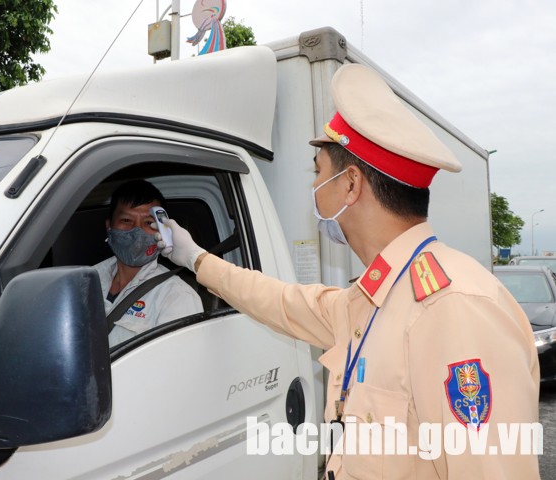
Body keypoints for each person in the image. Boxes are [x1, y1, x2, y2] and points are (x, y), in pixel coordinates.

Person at [157, 64, 540, 478]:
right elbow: (281, 301)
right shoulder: (375, 298)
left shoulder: (453, 308)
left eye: (318, 172)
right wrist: (194, 257)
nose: (314, 187)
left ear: (351, 185)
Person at [93, 179, 203, 347]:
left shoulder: (176, 296)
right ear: (109, 226)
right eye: (126, 220)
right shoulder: (84, 281)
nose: (137, 230)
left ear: (162, 230)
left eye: (148, 223)